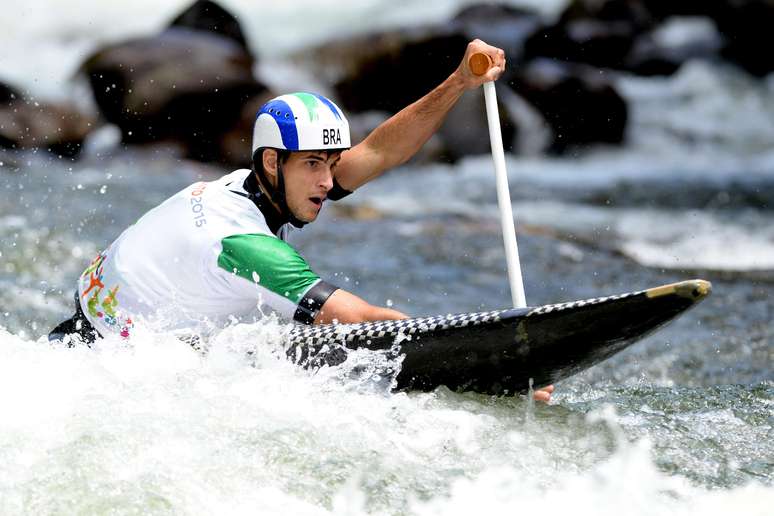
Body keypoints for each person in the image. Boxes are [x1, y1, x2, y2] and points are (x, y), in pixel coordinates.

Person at [50, 39, 554, 403]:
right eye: (314, 164)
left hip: (88, 334)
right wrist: (502, 360)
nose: (328, 182)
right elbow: (360, 319)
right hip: (107, 379)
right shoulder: (245, 244)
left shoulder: (243, 186)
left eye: (329, 163)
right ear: (273, 162)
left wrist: (460, 82)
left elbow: (377, 152)